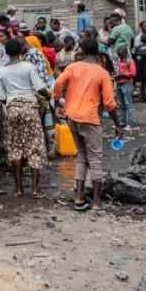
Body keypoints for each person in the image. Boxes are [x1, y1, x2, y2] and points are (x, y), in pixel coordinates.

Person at [52, 37, 121, 212]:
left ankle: (79, 198)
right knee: (96, 158)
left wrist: (57, 101)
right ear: (97, 52)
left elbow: (58, 82)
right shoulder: (102, 73)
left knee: (81, 156)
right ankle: (97, 202)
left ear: (81, 50)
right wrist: (118, 124)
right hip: (90, 119)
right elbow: (109, 103)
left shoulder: (73, 67)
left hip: (72, 116)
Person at [0, 38, 50, 198]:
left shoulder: (2, 71)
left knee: (15, 147)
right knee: (35, 145)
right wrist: (48, 95)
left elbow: (2, 97)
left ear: (6, 53)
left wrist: (13, 102)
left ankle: (19, 189)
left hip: (12, 109)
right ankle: (35, 189)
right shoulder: (28, 67)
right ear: (21, 52)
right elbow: (40, 88)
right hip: (30, 108)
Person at [114, 45, 137, 130]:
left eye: (121, 54)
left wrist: (123, 74)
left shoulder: (130, 61)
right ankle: (122, 121)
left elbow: (133, 73)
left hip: (127, 83)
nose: (120, 56)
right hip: (119, 83)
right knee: (121, 104)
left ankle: (131, 123)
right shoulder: (118, 61)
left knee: (129, 104)